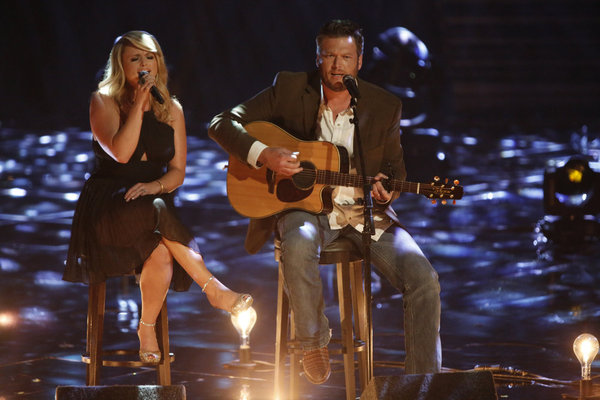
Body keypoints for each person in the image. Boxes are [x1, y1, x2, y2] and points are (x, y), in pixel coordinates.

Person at [208, 19, 441, 384]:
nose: (336, 66)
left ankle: (423, 385)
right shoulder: (289, 88)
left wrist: (388, 188)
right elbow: (221, 122)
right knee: (298, 242)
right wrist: (264, 154)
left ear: (359, 61)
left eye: (345, 57)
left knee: (424, 280)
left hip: (364, 213)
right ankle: (313, 342)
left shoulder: (384, 106)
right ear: (317, 57)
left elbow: (394, 169)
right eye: (329, 56)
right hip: (304, 209)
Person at [64, 30, 252, 364]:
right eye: (135, 58)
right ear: (121, 65)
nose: (143, 64)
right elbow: (122, 153)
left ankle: (146, 329)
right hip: (109, 207)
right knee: (158, 209)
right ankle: (213, 289)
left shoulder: (172, 108)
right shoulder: (103, 100)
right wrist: (138, 104)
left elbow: (177, 172)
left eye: (149, 57)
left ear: (158, 62)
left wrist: (155, 186)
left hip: (152, 204)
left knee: (163, 248)